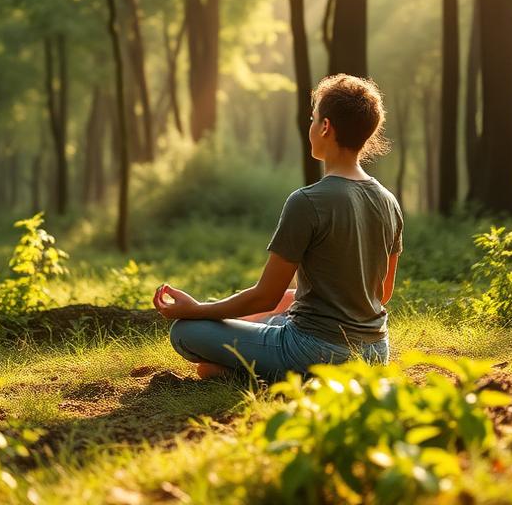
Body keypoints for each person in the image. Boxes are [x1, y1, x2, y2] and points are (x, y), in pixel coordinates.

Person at [152, 74, 403, 381]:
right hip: (376, 354)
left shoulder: (307, 201)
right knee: (277, 315)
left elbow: (264, 297)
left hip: (315, 351)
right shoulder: (388, 201)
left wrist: (196, 309)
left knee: (186, 332)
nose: (310, 126)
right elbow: (382, 293)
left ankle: (278, 378)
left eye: (313, 119)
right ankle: (267, 371)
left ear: (325, 127)